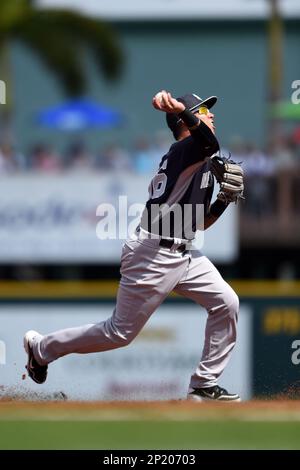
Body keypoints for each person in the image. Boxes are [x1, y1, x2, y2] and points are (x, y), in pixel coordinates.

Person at [24, 90, 244, 402]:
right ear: (185, 119)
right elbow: (208, 142)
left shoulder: (202, 158)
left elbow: (198, 224)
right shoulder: (186, 149)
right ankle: (41, 348)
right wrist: (182, 108)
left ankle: (203, 385)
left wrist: (222, 203)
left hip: (183, 251)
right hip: (153, 253)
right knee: (119, 334)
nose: (212, 115)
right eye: (204, 110)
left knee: (226, 303)